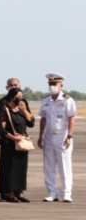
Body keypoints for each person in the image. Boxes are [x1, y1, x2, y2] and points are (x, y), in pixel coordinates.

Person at [39, 73, 76, 202]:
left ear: (61, 85)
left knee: (64, 166)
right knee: (49, 167)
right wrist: (40, 136)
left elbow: (71, 119)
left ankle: (67, 193)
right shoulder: (46, 101)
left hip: (62, 137)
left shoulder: (67, 100)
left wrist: (70, 135)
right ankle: (52, 192)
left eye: (54, 84)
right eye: (50, 84)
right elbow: (43, 119)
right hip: (49, 137)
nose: (52, 86)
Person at [0, 86, 34, 203]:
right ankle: (8, 192)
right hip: (9, 143)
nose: (20, 99)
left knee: (21, 168)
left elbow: (31, 123)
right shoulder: (5, 109)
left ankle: (18, 192)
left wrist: (24, 110)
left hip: (21, 143)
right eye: (18, 97)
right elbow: (0, 128)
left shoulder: (22, 107)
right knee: (9, 168)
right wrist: (13, 137)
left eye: (22, 97)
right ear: (12, 97)